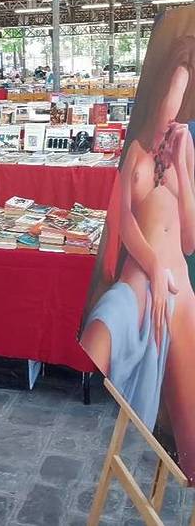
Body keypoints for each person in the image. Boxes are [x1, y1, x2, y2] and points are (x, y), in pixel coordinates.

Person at [80, 36, 195, 460]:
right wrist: (154, 268)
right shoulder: (135, 150)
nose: (172, 110)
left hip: (180, 293)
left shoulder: (185, 150)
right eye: (170, 92)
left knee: (189, 436)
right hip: (138, 285)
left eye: (182, 96)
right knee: (99, 332)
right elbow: (123, 221)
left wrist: (181, 165)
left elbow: (189, 242)